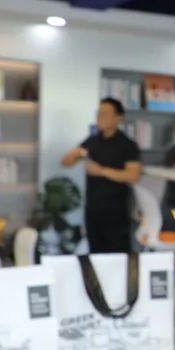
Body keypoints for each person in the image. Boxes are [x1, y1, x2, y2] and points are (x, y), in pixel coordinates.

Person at [60, 98, 141, 253]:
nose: (100, 117)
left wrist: (101, 171)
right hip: (92, 210)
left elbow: (132, 175)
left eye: (105, 113)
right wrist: (77, 152)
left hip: (116, 213)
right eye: (99, 113)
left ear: (118, 118)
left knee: (117, 257)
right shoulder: (92, 140)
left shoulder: (127, 145)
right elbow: (65, 162)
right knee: (95, 255)